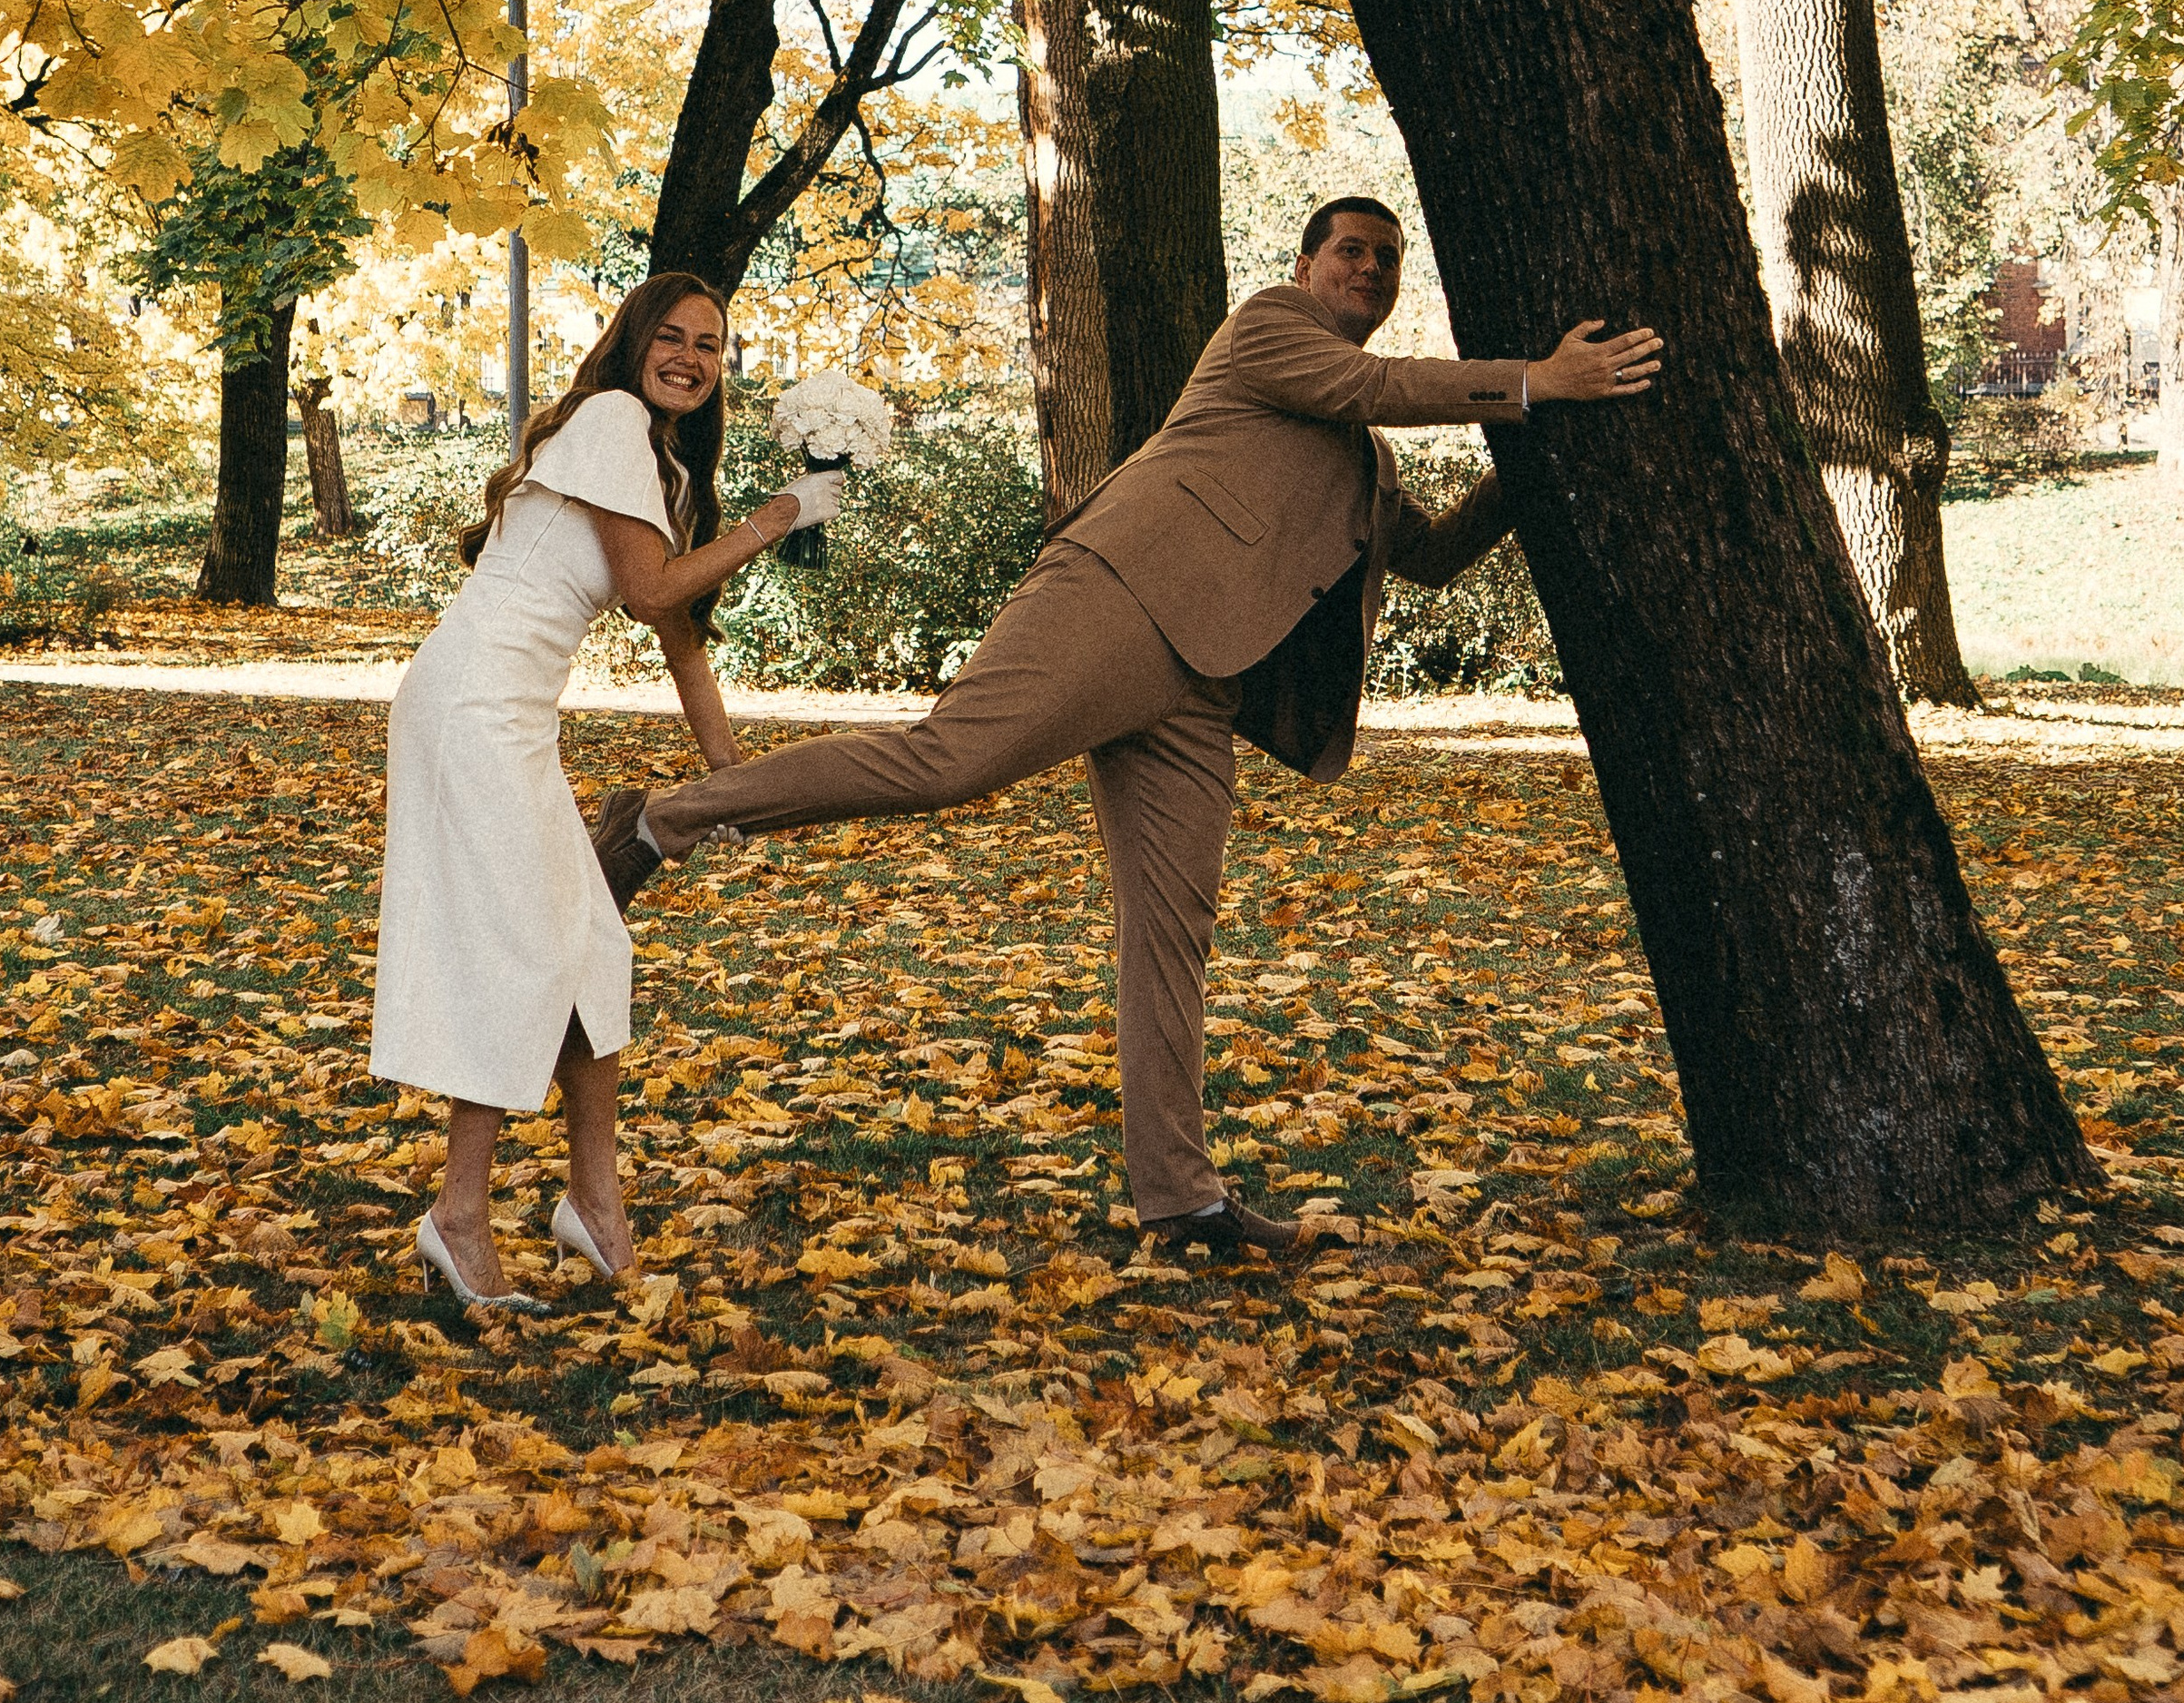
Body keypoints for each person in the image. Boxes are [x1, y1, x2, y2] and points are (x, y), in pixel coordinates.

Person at [591, 200, 1662, 1264]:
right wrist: (1537, 381)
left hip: (1204, 689)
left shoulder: (1368, 462)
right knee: (946, 761)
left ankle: (1181, 1200)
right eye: (1352, 251)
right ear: (1305, 264)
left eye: (1386, 259)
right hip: (1115, 599)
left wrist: (1546, 451)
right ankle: (665, 818)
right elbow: (1368, 381)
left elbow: (1427, 555)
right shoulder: (1267, 330)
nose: (1370, 270)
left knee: (1172, 932)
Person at [372, 270, 842, 1309]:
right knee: (526, 948)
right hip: (469, 708)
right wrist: (779, 515)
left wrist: (735, 782)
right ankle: (456, 1214)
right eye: (669, 338)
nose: (687, 358)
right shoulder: (609, 419)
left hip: (512, 718)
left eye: (708, 346)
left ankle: (593, 1205)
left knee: (593, 947)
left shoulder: (659, 473)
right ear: (634, 347)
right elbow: (650, 592)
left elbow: (680, 643)